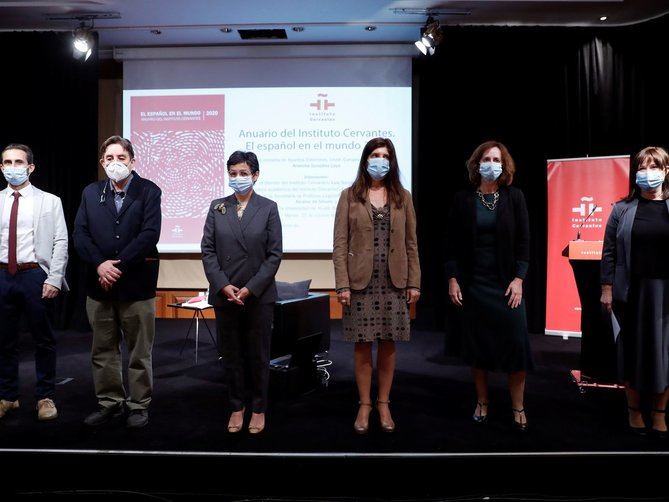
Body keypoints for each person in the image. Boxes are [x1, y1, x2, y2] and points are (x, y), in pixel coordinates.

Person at [333, 137, 421, 434]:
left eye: (385, 155)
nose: (379, 160)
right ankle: (364, 404)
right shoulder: (349, 196)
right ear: (365, 159)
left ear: (391, 161)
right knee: (362, 345)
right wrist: (342, 284)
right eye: (374, 154)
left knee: (388, 344)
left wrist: (414, 283)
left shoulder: (403, 196)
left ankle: (383, 403)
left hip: (394, 282)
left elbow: (412, 243)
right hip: (360, 282)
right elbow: (340, 243)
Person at [73, 135, 161, 429]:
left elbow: (150, 234)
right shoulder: (90, 192)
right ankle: (110, 402)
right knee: (103, 350)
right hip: (99, 286)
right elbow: (80, 235)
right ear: (102, 163)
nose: (115, 163)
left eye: (121, 157)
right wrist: (100, 265)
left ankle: (138, 405)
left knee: (139, 350)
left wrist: (117, 266)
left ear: (132, 161)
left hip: (137, 285)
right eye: (109, 158)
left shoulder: (149, 191)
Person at [445, 140, 532, 431]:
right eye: (486, 159)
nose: (491, 164)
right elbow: (452, 244)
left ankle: (518, 405)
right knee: (478, 347)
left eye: (497, 159)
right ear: (476, 164)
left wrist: (519, 279)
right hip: (474, 285)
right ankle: (482, 402)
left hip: (507, 285)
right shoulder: (462, 199)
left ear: (504, 166)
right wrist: (453, 278)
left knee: (516, 346)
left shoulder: (515, 197)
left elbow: (524, 242)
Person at [201, 151, 282, 434]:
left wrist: (250, 288)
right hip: (226, 296)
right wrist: (223, 285)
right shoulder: (217, 207)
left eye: (243, 173)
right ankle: (237, 406)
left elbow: (274, 255)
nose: (237, 178)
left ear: (255, 175)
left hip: (258, 296)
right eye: (233, 173)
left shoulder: (269, 208)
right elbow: (208, 250)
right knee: (231, 355)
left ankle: (258, 408)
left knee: (258, 355)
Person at [601, 146, 669, 439]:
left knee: (664, 354)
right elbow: (609, 252)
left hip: (665, 294)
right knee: (632, 352)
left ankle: (659, 413)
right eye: (642, 167)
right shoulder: (621, 209)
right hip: (631, 291)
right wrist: (606, 288)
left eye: (654, 167)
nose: (647, 173)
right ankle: (634, 411)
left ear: (666, 171)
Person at [0, 144, 68, 421]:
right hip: (3, 275)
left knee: (44, 340)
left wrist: (54, 278)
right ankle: (8, 396)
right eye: (7, 162)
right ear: (1, 167)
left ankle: (45, 397)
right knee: (4, 341)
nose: (12, 167)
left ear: (30, 167)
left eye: (18, 162)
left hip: (34, 275)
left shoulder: (49, 200)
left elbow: (61, 241)